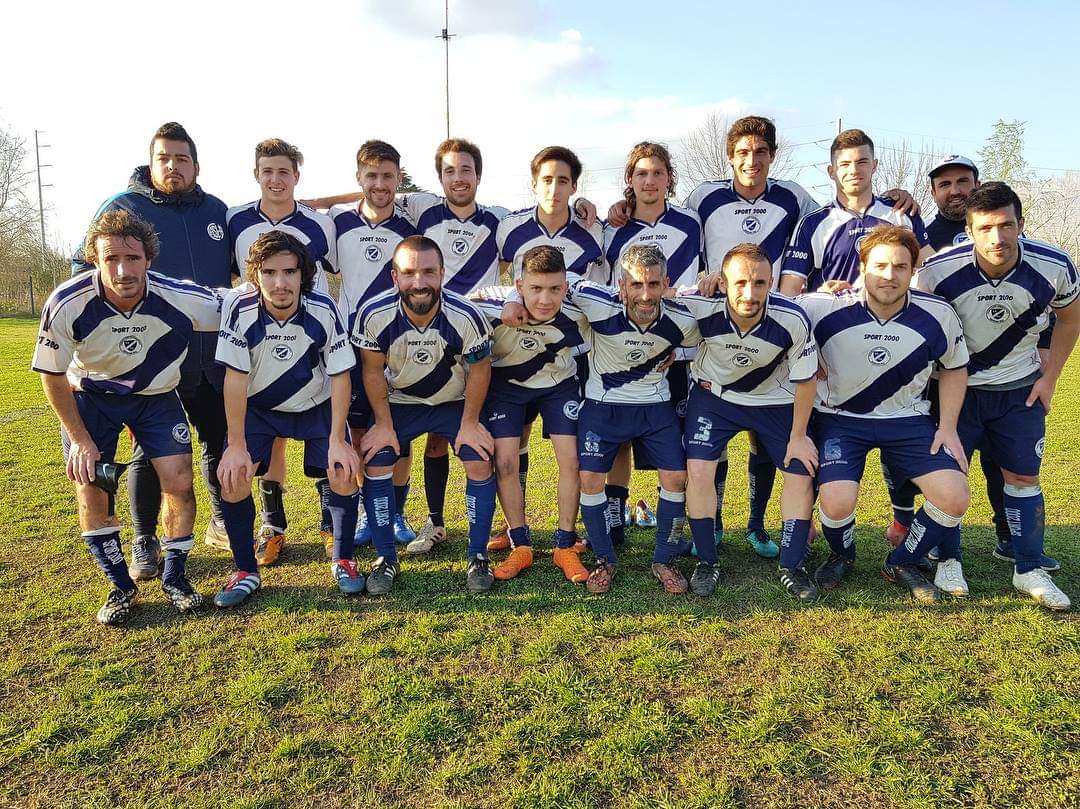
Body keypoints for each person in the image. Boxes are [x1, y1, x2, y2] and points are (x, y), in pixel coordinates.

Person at [34, 210, 223, 624]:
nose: (123, 271)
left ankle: (175, 578)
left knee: (179, 482)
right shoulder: (67, 302)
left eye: (133, 258)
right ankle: (121, 586)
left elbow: (242, 303)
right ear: (95, 261)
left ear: (148, 259)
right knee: (92, 488)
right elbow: (51, 373)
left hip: (156, 398)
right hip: (92, 399)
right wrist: (79, 439)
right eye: (111, 259)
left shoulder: (181, 296)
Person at [72, 122, 232, 580]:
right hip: (151, 362)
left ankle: (220, 521)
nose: (173, 166)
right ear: (151, 162)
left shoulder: (217, 210)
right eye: (164, 158)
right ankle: (145, 540)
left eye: (182, 159)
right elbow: (83, 271)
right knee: (149, 449)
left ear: (196, 166)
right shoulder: (123, 208)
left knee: (217, 440)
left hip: (211, 355)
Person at [915, 183, 1079, 610]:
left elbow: (1070, 318)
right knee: (950, 478)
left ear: (1021, 224)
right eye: (985, 228)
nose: (997, 237)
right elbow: (919, 329)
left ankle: (1028, 568)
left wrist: (1050, 379)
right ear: (969, 231)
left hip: (1019, 391)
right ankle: (948, 559)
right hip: (956, 393)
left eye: (1006, 225)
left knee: (1023, 478)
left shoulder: (1055, 265)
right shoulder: (936, 273)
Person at [800, 225, 971, 603]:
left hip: (907, 419)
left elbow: (955, 368)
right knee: (836, 501)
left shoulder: (937, 313)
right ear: (862, 268)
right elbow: (770, 312)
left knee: (954, 496)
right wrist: (708, 284)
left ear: (913, 270)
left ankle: (901, 561)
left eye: (900, 266)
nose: (889, 275)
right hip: (840, 419)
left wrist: (948, 427)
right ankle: (842, 554)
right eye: (879, 266)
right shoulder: (822, 306)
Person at [531, 244, 701, 594]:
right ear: (621, 286)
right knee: (590, 478)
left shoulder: (683, 317)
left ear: (666, 283)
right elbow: (562, 281)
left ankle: (664, 559)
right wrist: (510, 299)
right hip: (603, 405)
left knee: (676, 477)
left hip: (655, 405)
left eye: (653, 284)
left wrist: (678, 351)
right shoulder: (596, 301)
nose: (645, 294)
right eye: (636, 284)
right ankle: (604, 559)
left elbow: (712, 335)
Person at [213, 231, 360, 606]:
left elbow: (340, 375)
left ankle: (343, 559)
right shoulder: (240, 309)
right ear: (255, 275)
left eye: (290, 272)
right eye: (269, 272)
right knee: (233, 476)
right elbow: (235, 379)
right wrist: (235, 445)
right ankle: (245, 571)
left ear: (303, 275)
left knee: (342, 469)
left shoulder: (322, 308)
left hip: (315, 405)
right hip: (260, 409)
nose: (280, 283)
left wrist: (338, 441)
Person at [353, 236, 498, 593]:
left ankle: (478, 556)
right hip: (401, 404)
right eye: (409, 273)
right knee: (376, 458)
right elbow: (372, 371)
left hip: (453, 404)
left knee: (479, 458)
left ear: (442, 274)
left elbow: (480, 370)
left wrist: (470, 423)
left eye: (429, 272)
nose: (419, 282)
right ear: (395, 276)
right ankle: (385, 558)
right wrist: (383, 424)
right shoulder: (374, 314)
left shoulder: (466, 315)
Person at [677, 243, 819, 600]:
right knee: (699, 471)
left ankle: (791, 565)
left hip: (774, 401)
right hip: (714, 398)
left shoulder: (792, 318)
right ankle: (706, 560)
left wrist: (799, 436)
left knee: (800, 470)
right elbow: (658, 306)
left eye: (759, 283)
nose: (750, 293)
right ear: (723, 283)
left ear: (771, 282)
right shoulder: (699, 304)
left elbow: (806, 380)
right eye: (740, 282)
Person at [225, 138, 339, 564]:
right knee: (268, 439)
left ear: (296, 176)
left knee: (324, 442)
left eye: (284, 172)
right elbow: (233, 278)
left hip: (310, 344)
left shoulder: (320, 224)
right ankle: (272, 525)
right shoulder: (235, 219)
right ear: (256, 174)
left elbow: (335, 271)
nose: (276, 179)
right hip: (260, 341)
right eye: (267, 171)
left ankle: (331, 526)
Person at [600, 141, 703, 546]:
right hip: (624, 350)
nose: (649, 180)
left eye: (658, 173)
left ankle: (674, 526)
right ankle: (614, 515)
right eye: (641, 173)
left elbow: (701, 280)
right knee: (619, 439)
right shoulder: (612, 228)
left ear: (669, 179)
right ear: (630, 179)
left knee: (674, 438)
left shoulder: (690, 222)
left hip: (677, 351)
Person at [471, 245, 589, 582]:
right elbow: (456, 306)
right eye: (535, 289)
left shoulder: (580, 309)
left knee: (572, 461)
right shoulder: (493, 302)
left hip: (558, 386)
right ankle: (520, 544)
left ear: (565, 287)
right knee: (506, 462)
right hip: (506, 389)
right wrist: (509, 300)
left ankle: (565, 545)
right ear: (519, 286)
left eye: (554, 289)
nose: (545, 299)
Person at [332, 140, 418, 550]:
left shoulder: (410, 226)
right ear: (358, 178)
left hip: (396, 343)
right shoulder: (337, 222)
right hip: (351, 344)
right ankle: (369, 509)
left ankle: (396, 511)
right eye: (372, 176)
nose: (380, 184)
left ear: (399, 178)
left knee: (398, 430)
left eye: (388, 176)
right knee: (359, 431)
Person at [779, 128, 933, 296]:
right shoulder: (812, 223)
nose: (854, 170)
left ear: (874, 165)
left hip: (894, 312)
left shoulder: (902, 211)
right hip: (833, 312)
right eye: (845, 164)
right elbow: (789, 292)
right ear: (831, 171)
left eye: (862, 162)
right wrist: (819, 296)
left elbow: (932, 273)